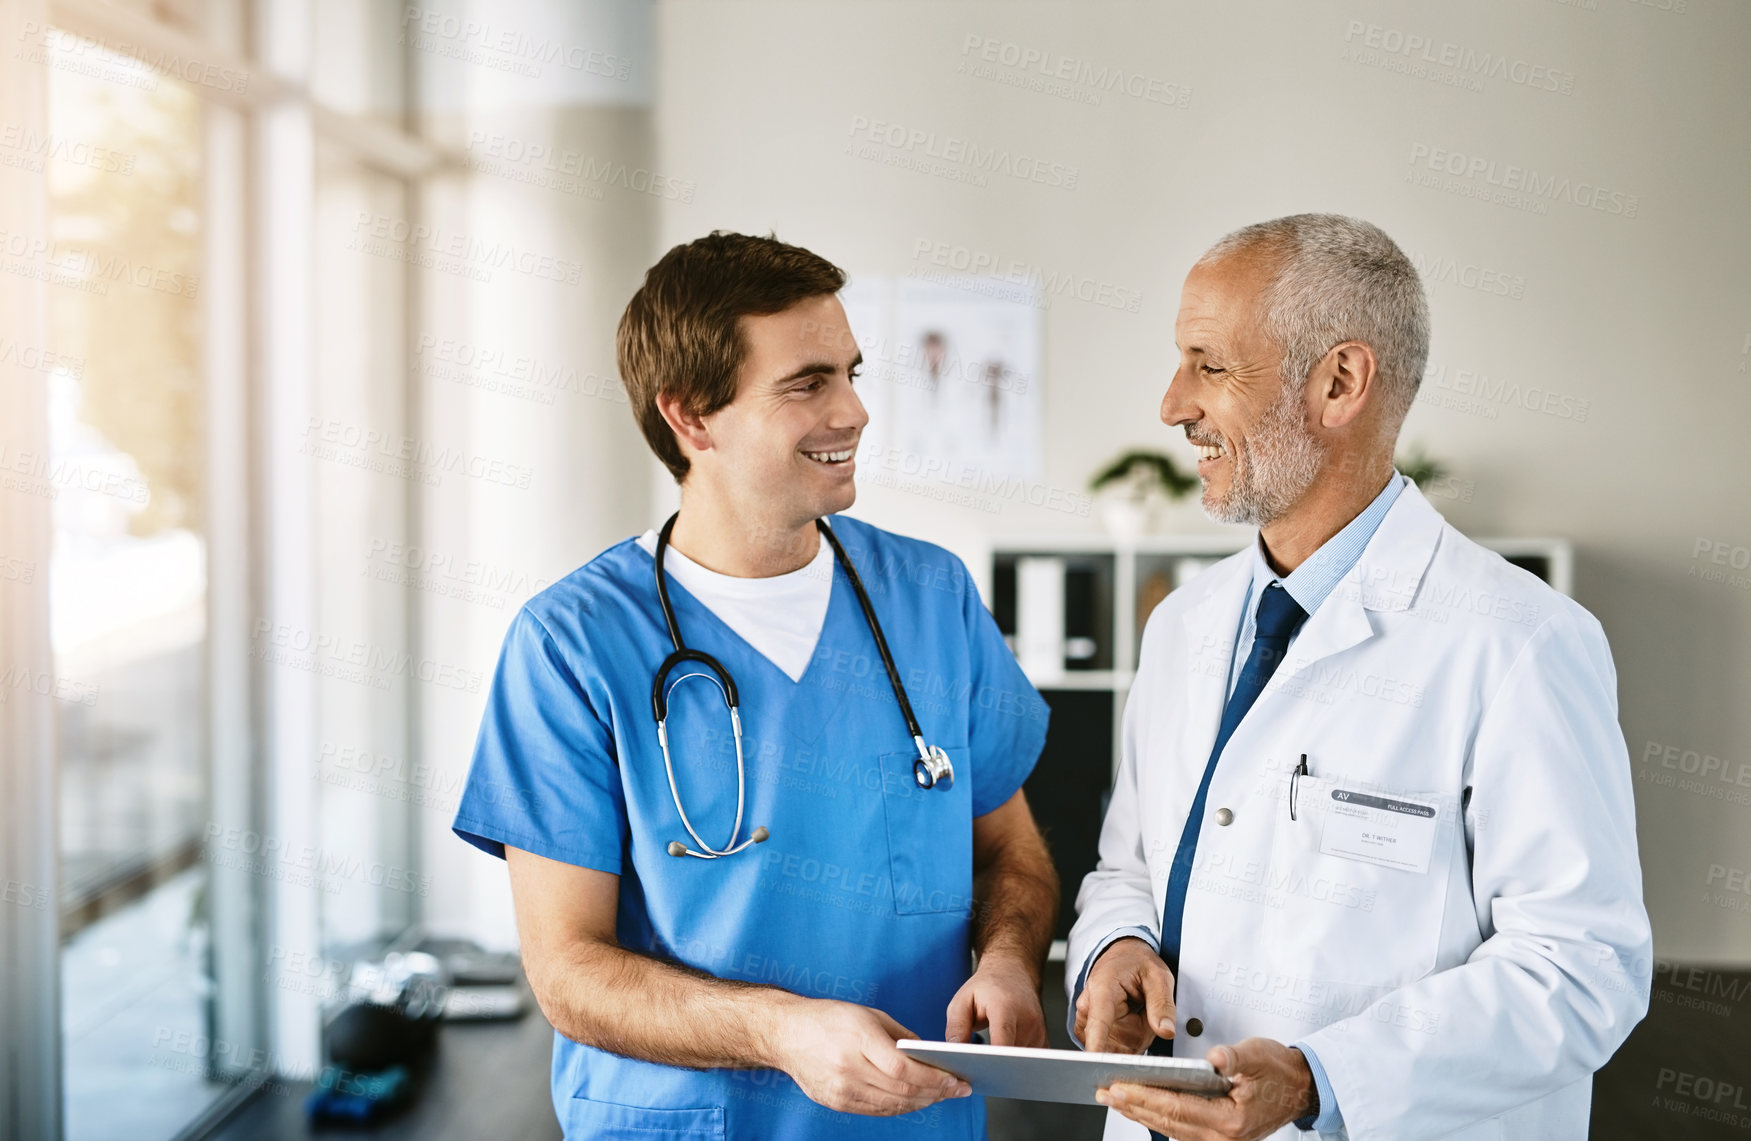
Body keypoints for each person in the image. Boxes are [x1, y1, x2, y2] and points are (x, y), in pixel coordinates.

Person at [452, 232, 1058, 1139]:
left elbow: (1010, 851)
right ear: (692, 416)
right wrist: (779, 1032)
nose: (853, 411)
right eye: (808, 383)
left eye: (852, 373)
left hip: (911, 1120)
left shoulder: (932, 597)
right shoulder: (572, 642)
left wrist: (1009, 958)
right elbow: (569, 970)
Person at [1067, 214, 1651, 1141]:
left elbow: (1581, 969)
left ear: (1339, 381)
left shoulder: (1521, 643)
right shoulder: (1184, 625)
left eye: (1209, 365)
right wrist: (1115, 948)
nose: (1172, 404)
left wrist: (1318, 1078)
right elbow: (1127, 867)